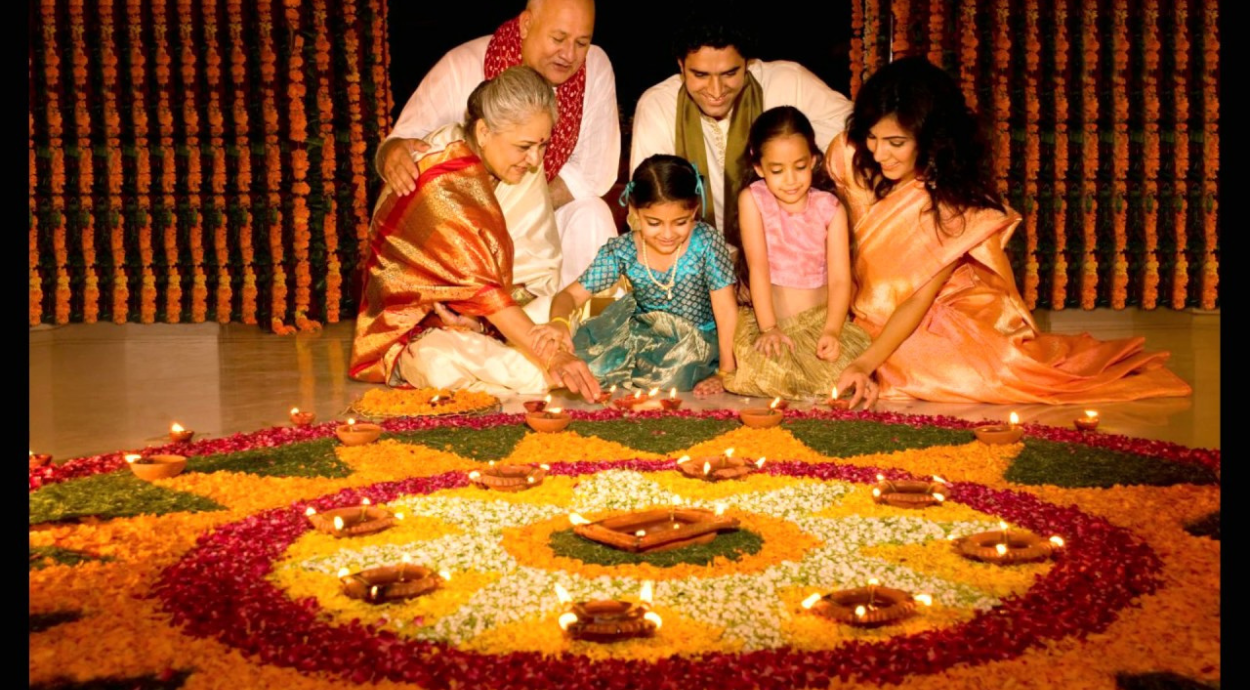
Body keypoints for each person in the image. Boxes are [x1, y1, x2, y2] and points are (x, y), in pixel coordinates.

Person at [826, 56, 1193, 409]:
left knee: (948, 369)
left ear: (931, 137)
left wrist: (866, 362)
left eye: (896, 143)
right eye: (873, 137)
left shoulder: (952, 199)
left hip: (934, 313)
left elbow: (916, 300)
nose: (879, 153)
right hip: (865, 311)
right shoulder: (848, 156)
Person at [350, 66, 601, 403]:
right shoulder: (442, 182)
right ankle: (549, 369)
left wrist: (485, 325)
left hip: (490, 318)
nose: (534, 160)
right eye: (525, 146)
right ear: (483, 132)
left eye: (542, 145)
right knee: (437, 363)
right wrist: (552, 354)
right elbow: (485, 293)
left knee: (577, 307)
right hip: (424, 327)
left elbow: (535, 272)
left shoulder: (514, 165)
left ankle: (531, 367)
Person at [379, 0, 620, 289]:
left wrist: (525, 212)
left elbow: (594, 172)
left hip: (546, 214)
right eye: (558, 39)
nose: (569, 54)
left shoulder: (595, 67)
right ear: (526, 24)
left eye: (582, 43)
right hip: (463, 228)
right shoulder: (462, 66)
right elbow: (407, 143)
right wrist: (393, 154)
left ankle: (596, 326)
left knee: (593, 214)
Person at [629, 12, 853, 239]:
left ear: (748, 62)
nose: (716, 91)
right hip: (689, 259)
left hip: (785, 252)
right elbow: (645, 204)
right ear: (681, 65)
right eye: (700, 75)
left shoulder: (788, 82)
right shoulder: (658, 106)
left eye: (729, 73)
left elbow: (856, 137)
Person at [529, 155, 738, 395]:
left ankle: (700, 369)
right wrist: (559, 322)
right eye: (654, 223)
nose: (667, 234)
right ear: (634, 211)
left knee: (674, 372)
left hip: (701, 338)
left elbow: (725, 310)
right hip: (645, 336)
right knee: (587, 365)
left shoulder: (706, 242)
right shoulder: (623, 251)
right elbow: (570, 296)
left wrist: (726, 372)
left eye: (680, 222)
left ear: (695, 211)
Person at [721, 106, 872, 400]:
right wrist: (770, 328)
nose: (790, 180)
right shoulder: (753, 200)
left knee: (837, 381)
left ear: (814, 160)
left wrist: (832, 330)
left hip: (821, 322)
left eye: (800, 167)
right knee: (763, 377)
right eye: (777, 171)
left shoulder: (831, 208)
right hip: (772, 322)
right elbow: (759, 269)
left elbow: (841, 279)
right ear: (759, 167)